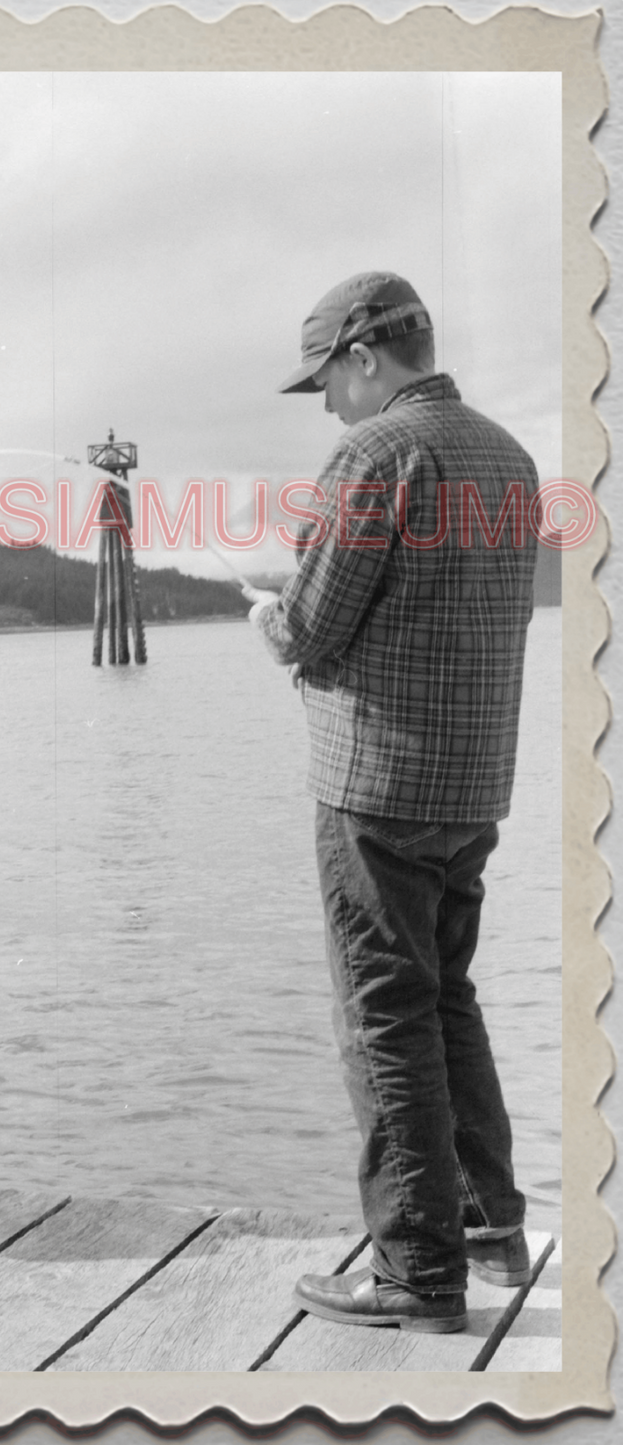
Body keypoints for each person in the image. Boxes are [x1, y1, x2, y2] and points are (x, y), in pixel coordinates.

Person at [246, 272, 538, 1333]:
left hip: (374, 791)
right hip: (472, 786)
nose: (324, 402)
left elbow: (312, 632)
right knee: (444, 995)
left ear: (366, 355)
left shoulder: (372, 453)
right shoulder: (508, 455)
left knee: (381, 1015)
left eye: (324, 377)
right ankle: (487, 1226)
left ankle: (417, 1273)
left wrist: (265, 616)